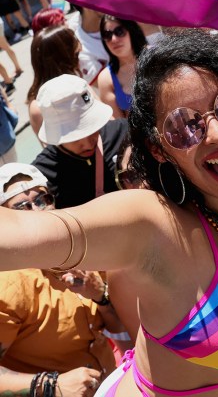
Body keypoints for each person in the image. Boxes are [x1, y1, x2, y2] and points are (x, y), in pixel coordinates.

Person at [0, 31, 218, 396]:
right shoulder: (151, 224)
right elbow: (19, 234)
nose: (217, 134)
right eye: (184, 126)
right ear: (158, 150)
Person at [0, 164, 128, 395]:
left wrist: (102, 297)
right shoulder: (9, 286)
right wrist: (49, 385)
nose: (37, 211)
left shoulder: (82, 249)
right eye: (21, 207)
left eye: (42, 199)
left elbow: (120, 328)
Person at [32, 75, 128, 208]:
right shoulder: (42, 176)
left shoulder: (124, 133)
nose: (88, 144)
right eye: (74, 137)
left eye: (92, 128)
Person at [27, 26, 83, 139]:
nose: (80, 60)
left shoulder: (80, 86)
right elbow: (51, 150)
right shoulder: (38, 108)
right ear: (63, 59)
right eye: (76, 55)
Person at [96, 16, 147, 118]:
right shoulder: (106, 79)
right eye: (107, 35)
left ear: (131, 30)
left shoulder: (155, 56)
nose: (114, 39)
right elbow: (120, 125)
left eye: (119, 31)